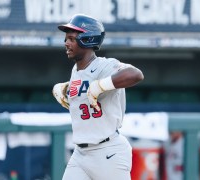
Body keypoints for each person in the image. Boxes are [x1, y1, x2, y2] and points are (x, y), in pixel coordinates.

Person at [52, 14, 144, 180]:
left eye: (72, 39)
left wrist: (101, 86)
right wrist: (66, 88)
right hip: (81, 154)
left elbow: (136, 74)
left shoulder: (104, 65)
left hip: (108, 151)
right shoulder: (76, 70)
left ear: (87, 39)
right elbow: (87, 82)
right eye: (66, 38)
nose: (66, 43)